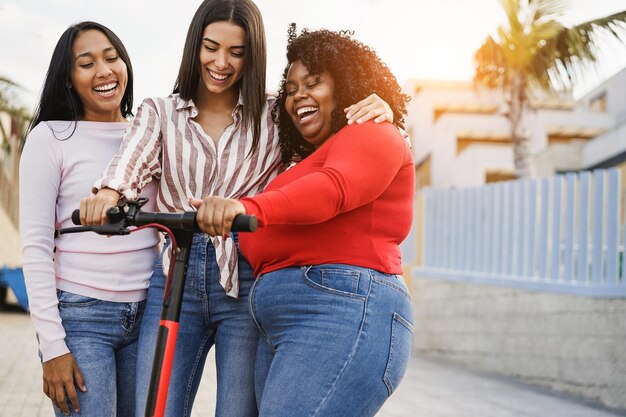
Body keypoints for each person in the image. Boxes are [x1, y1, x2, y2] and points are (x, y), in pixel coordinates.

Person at [79, 1, 395, 416]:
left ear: (253, 56)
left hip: (246, 281)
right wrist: (108, 195)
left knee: (238, 411)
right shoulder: (159, 113)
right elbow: (128, 165)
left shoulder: (271, 114)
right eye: (211, 47)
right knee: (153, 407)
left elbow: (326, 148)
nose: (221, 62)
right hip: (175, 276)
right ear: (195, 46)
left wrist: (384, 108)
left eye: (237, 52)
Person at [192, 25, 415, 417]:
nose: (299, 97)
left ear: (346, 87)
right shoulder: (301, 164)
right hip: (283, 326)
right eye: (291, 90)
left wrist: (246, 209)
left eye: (313, 84)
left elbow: (333, 189)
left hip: (339, 313)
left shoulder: (373, 133)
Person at [19, 21, 159, 417]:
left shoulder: (147, 136)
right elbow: (36, 246)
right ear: (68, 79)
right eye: (86, 63)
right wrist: (52, 346)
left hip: (148, 316)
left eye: (111, 58)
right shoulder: (51, 137)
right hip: (82, 319)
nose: (104, 70)